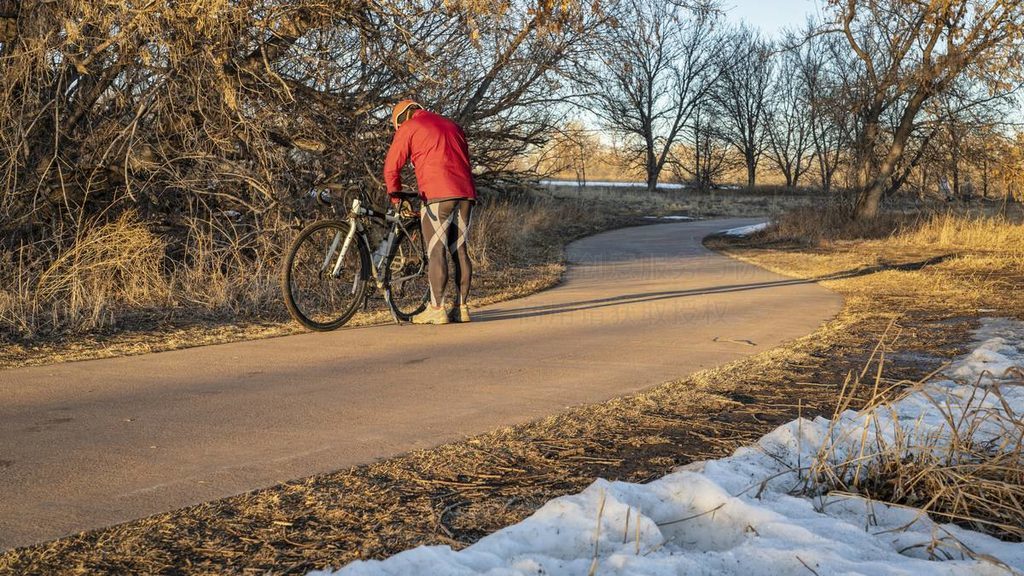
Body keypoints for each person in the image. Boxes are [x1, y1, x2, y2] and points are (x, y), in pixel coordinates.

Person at [383, 99, 478, 325]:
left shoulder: (409, 127)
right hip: (466, 194)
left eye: (396, 126)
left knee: (437, 251)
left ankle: (437, 309)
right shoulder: (453, 125)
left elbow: (391, 168)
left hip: (437, 194)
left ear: (402, 118)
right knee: (460, 250)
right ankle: (462, 308)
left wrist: (397, 198)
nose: (398, 129)